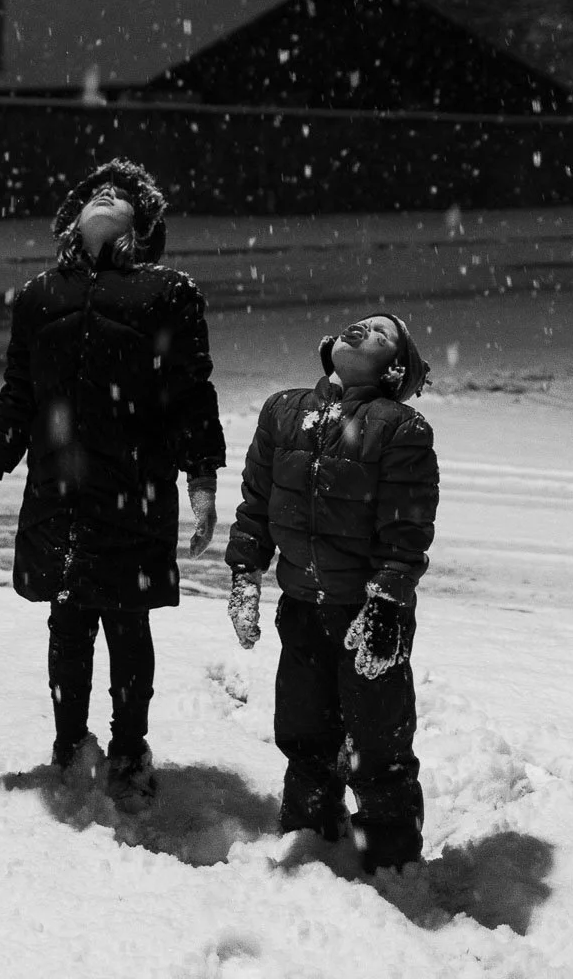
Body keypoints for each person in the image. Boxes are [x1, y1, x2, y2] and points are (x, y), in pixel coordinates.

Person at [0, 158, 225, 811]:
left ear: (143, 225)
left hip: (135, 487)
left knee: (128, 627)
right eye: (95, 191)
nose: (105, 194)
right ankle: (70, 747)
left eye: (120, 195)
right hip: (58, 492)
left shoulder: (169, 293)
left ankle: (129, 752)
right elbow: (19, 397)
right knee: (67, 622)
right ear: (73, 221)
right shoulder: (40, 296)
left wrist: (201, 478)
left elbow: (190, 393)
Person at [224, 312, 438, 873]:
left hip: (368, 615)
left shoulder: (401, 427)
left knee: (379, 745)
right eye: (358, 325)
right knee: (304, 733)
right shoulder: (283, 410)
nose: (361, 331)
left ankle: (393, 862)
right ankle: (311, 834)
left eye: (381, 333)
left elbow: (406, 532)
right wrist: (245, 572)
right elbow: (256, 503)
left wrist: (387, 603)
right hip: (301, 608)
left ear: (395, 368)